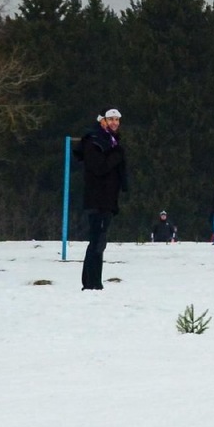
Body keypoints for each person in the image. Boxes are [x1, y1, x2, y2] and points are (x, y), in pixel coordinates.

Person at [80, 108, 128, 290]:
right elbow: (99, 168)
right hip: (97, 201)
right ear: (103, 121)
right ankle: (92, 283)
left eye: (117, 119)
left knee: (99, 241)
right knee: (97, 241)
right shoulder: (94, 142)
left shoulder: (112, 142)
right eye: (111, 119)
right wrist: (116, 156)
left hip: (107, 200)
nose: (115, 122)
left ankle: (92, 281)